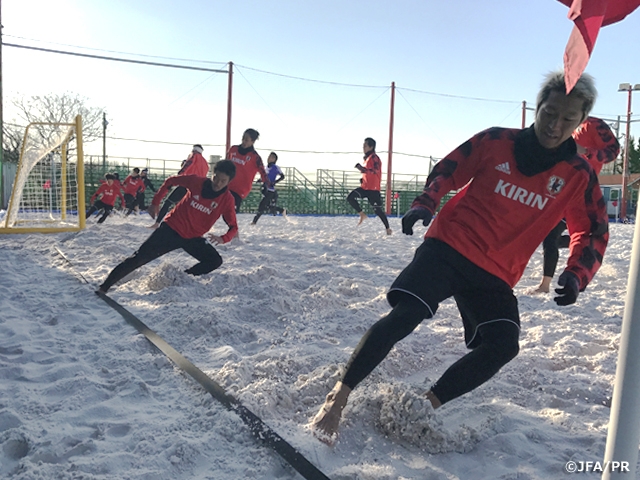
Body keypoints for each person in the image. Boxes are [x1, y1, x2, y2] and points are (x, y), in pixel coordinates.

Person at [310, 71, 609, 445]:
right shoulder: (497, 140)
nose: (555, 125)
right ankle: (337, 399)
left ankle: (425, 404)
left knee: (503, 345)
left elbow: (593, 229)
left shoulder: (578, 174)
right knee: (407, 314)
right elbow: (449, 168)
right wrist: (425, 203)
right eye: (550, 112)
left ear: (580, 123)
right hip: (450, 246)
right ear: (538, 108)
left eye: (568, 119)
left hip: (497, 271)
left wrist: (577, 274)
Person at [97, 160, 238, 293]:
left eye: (223, 181)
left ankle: (181, 278)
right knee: (139, 258)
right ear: (212, 175)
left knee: (215, 261)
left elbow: (233, 227)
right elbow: (170, 181)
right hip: (171, 230)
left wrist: (223, 238)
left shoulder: (227, 200)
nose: (218, 183)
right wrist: (156, 202)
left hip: (193, 238)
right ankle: (105, 286)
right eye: (216, 178)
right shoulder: (196, 181)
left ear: (229, 182)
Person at [533, 116, 620, 293]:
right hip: (561, 189)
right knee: (547, 237)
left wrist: (586, 151)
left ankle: (545, 285)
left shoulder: (593, 124)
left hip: (583, 192)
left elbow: (614, 150)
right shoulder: (564, 127)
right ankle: (579, 245)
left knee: (550, 237)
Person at [153, 144, 209, 226]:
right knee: (188, 208)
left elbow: (187, 165)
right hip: (198, 188)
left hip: (187, 184)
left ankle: (157, 223)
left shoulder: (194, 156)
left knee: (168, 202)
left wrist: (180, 174)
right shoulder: (205, 163)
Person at [346, 137, 392, 235]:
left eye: (365, 146)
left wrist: (363, 170)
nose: (363, 148)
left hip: (373, 190)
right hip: (365, 188)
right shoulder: (367, 159)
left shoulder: (374, 157)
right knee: (350, 197)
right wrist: (363, 178)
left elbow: (375, 170)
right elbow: (368, 173)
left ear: (371, 147)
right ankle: (362, 214)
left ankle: (388, 228)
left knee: (378, 211)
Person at [227, 128, 270, 213]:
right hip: (226, 185)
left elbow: (263, 172)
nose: (244, 141)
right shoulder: (233, 149)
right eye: (243, 138)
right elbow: (226, 163)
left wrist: (266, 184)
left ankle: (233, 226)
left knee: (230, 212)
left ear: (252, 142)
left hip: (240, 190)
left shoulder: (255, 157)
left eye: (247, 140)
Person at [251, 152, 286, 225]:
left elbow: (282, 176)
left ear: (274, 159)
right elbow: (265, 177)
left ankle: (254, 221)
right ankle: (281, 210)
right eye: (269, 156)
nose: (269, 158)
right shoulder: (266, 167)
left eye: (271, 157)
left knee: (262, 205)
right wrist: (260, 180)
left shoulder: (275, 167)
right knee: (266, 207)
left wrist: (275, 182)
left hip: (270, 190)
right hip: (265, 189)